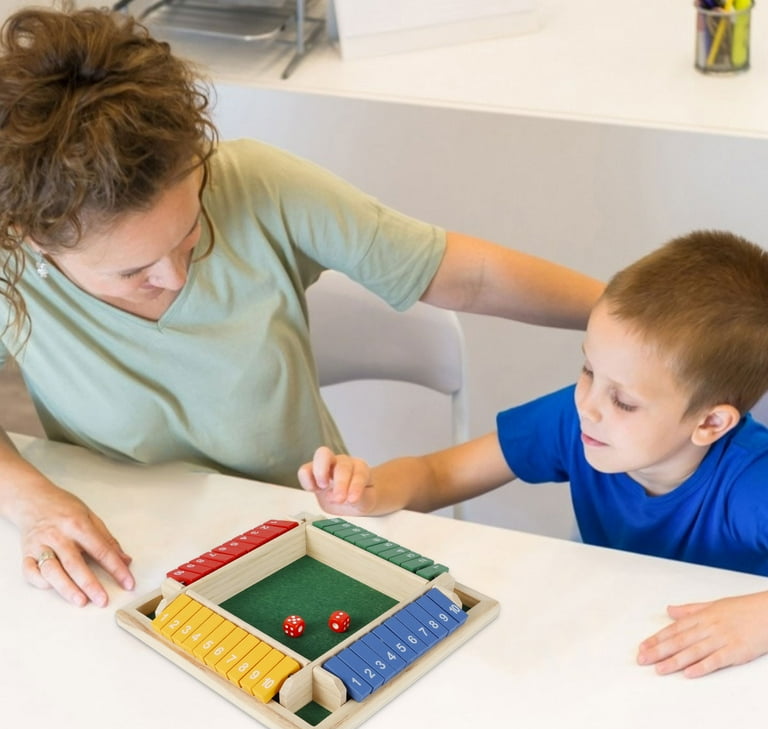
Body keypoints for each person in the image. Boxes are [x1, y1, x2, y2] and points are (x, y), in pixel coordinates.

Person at [0, 4, 604, 609]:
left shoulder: (257, 184)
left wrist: (626, 317)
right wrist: (30, 498)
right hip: (131, 559)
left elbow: (464, 277)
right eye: (134, 273)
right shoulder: (9, 263)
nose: (177, 275)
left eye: (191, 235)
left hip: (305, 538)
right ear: (30, 237)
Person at [299, 229, 768, 678]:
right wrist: (368, 491)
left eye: (623, 400)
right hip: (616, 640)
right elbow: (439, 473)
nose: (588, 406)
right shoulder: (576, 418)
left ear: (710, 423)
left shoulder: (753, 480)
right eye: (587, 369)